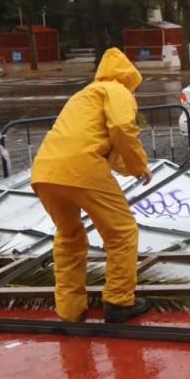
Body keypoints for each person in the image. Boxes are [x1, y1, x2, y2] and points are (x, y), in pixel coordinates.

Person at [31, 48, 152, 324]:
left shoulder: (84, 95)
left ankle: (69, 309)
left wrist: (133, 168)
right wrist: (138, 165)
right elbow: (122, 128)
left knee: (69, 237)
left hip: (45, 170)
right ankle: (120, 302)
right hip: (82, 168)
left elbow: (97, 140)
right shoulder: (117, 89)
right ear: (130, 78)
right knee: (122, 233)